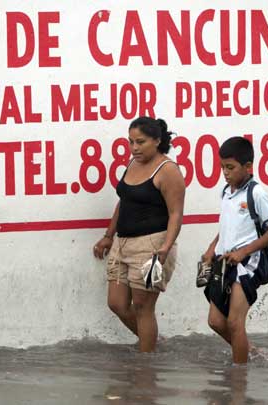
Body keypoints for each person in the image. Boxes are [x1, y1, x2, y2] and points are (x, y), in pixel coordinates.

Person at [93, 117, 185, 352]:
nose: (134, 148)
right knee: (116, 303)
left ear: (157, 140)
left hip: (152, 245)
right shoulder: (132, 163)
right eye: (131, 142)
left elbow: (176, 214)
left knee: (143, 307)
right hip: (122, 244)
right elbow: (124, 201)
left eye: (140, 142)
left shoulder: (168, 170)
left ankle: (146, 365)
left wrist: (165, 247)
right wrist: (108, 235)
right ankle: (152, 342)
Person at [201, 137, 268, 364]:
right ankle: (250, 351)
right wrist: (211, 249)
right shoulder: (226, 192)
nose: (225, 173)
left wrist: (243, 252)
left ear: (248, 167)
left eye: (230, 167)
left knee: (235, 323)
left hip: (248, 264)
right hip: (225, 261)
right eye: (222, 168)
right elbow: (227, 226)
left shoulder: (257, 193)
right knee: (216, 322)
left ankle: (239, 381)